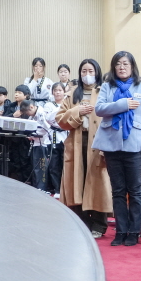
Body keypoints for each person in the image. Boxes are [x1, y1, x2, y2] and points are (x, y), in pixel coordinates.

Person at [92, 52, 141, 246]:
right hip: (111, 145)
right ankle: (121, 230)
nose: (121, 67)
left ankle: (134, 231)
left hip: (135, 145)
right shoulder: (107, 86)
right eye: (118, 64)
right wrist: (123, 104)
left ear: (132, 66)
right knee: (118, 191)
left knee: (135, 190)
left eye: (125, 64)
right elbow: (99, 109)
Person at [57, 59, 111, 238]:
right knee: (76, 182)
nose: (87, 74)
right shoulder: (72, 93)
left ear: (97, 71)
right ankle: (82, 222)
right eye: (83, 71)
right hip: (77, 142)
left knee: (97, 183)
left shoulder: (105, 91)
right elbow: (60, 119)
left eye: (90, 70)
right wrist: (77, 112)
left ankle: (99, 224)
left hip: (98, 143)